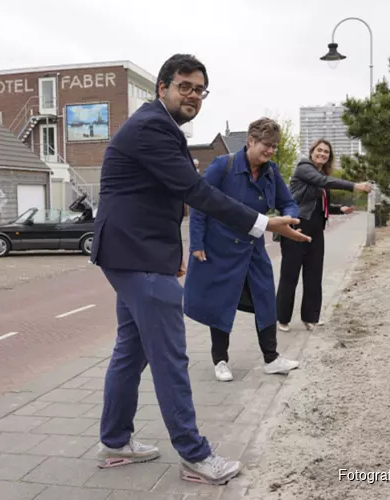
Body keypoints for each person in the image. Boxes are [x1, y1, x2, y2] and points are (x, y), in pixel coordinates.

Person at [89, 53, 310, 486]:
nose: (192, 95)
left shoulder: (161, 127)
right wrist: (263, 222)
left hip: (131, 251)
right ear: (162, 88)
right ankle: (195, 456)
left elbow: (163, 198)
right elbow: (194, 191)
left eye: (199, 89)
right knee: (171, 356)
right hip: (135, 255)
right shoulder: (154, 126)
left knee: (131, 350)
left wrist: (174, 255)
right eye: (184, 86)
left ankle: (115, 441)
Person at [184, 118, 301, 382]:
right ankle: (220, 360)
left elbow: (288, 202)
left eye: (274, 146)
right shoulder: (222, 166)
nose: (270, 151)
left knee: (265, 299)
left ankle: (271, 358)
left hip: (253, 248)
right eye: (266, 145)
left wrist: (291, 219)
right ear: (250, 140)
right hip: (221, 248)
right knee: (221, 303)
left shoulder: (271, 172)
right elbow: (200, 202)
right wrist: (197, 243)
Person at [276, 139, 372, 331]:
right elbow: (321, 183)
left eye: (326, 152)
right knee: (290, 275)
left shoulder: (320, 175)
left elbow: (318, 204)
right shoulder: (304, 168)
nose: (322, 154)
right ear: (312, 152)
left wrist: (338, 209)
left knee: (314, 274)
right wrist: (355, 185)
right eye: (319, 150)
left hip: (316, 230)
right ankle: (282, 318)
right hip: (296, 227)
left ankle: (310, 317)